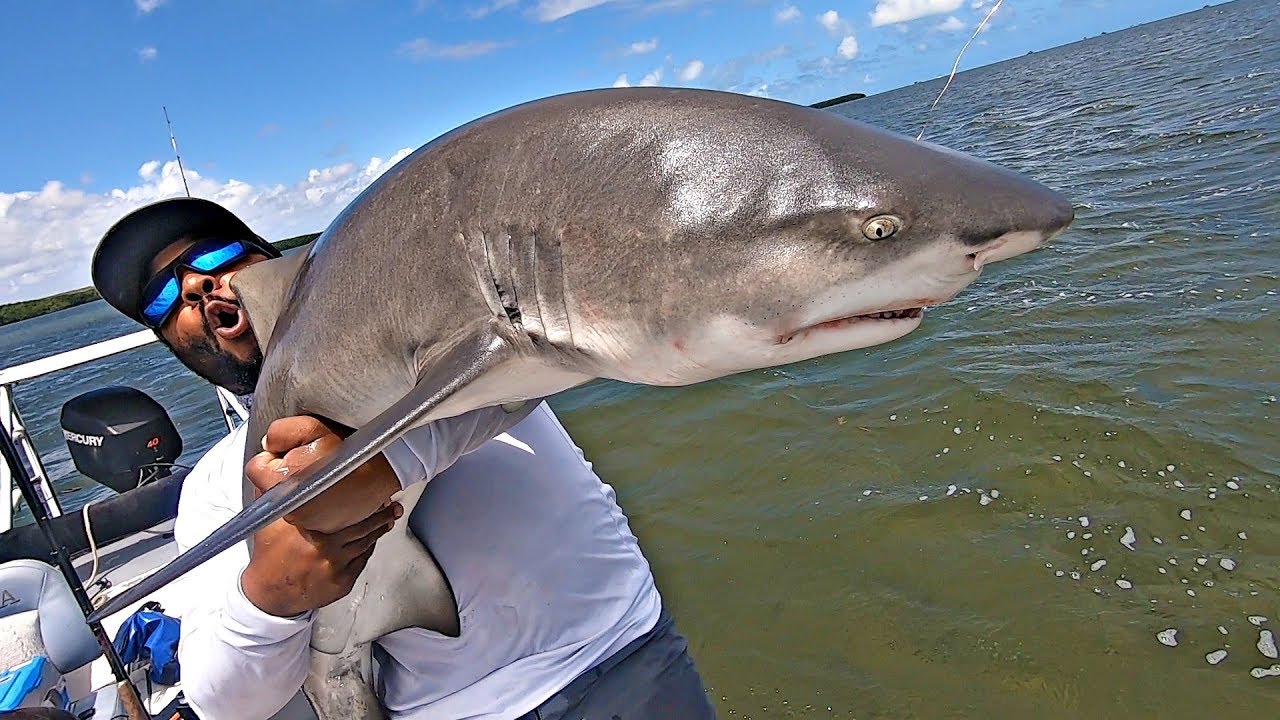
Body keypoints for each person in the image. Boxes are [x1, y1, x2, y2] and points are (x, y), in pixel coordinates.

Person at [90, 197, 717, 720]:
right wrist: (270, 598)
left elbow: (533, 368)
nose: (197, 284)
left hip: (630, 651)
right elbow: (225, 704)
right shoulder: (217, 489)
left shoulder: (447, 344)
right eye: (162, 298)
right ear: (168, 342)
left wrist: (369, 472)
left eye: (218, 254)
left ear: (284, 263)